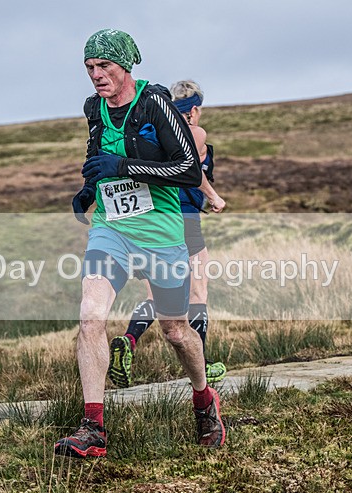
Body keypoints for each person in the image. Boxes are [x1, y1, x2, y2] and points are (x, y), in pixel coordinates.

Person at [54, 29, 226, 458]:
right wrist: (90, 188)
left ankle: (204, 400)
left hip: (162, 234)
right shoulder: (94, 108)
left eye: (105, 66)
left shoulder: (155, 103)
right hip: (112, 230)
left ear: (126, 66)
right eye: (90, 68)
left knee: (174, 330)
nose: (96, 75)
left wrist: (125, 165)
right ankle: (93, 428)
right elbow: (98, 155)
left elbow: (187, 169)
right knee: (91, 318)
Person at [108, 80, 228, 389]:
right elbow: (195, 171)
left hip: (153, 223)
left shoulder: (157, 131)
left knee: (154, 295)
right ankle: (201, 363)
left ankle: (129, 339)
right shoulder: (195, 133)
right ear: (196, 109)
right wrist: (213, 196)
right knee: (198, 292)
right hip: (184, 220)